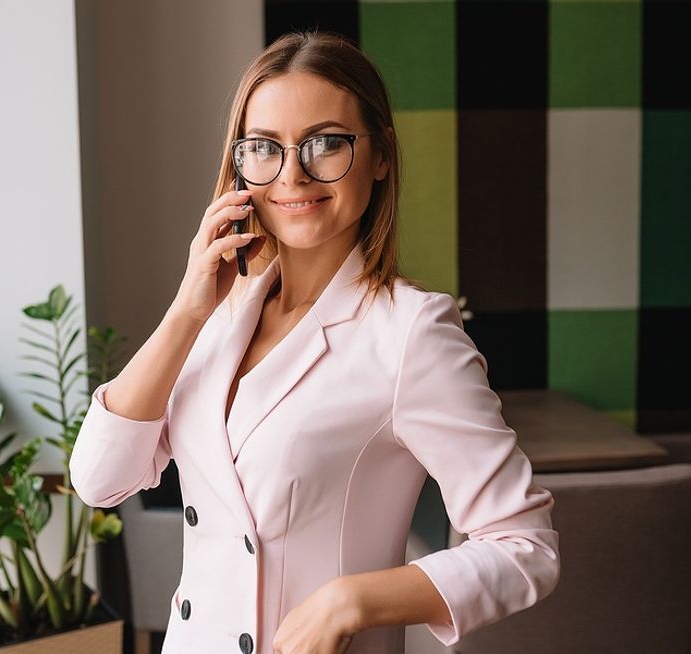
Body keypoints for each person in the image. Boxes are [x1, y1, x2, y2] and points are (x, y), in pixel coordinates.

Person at [69, 30, 560, 654]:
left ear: (380, 154)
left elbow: (525, 548)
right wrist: (188, 308)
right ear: (239, 165)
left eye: (325, 143)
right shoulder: (222, 313)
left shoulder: (412, 332)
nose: (292, 175)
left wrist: (350, 601)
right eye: (264, 148)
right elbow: (98, 479)